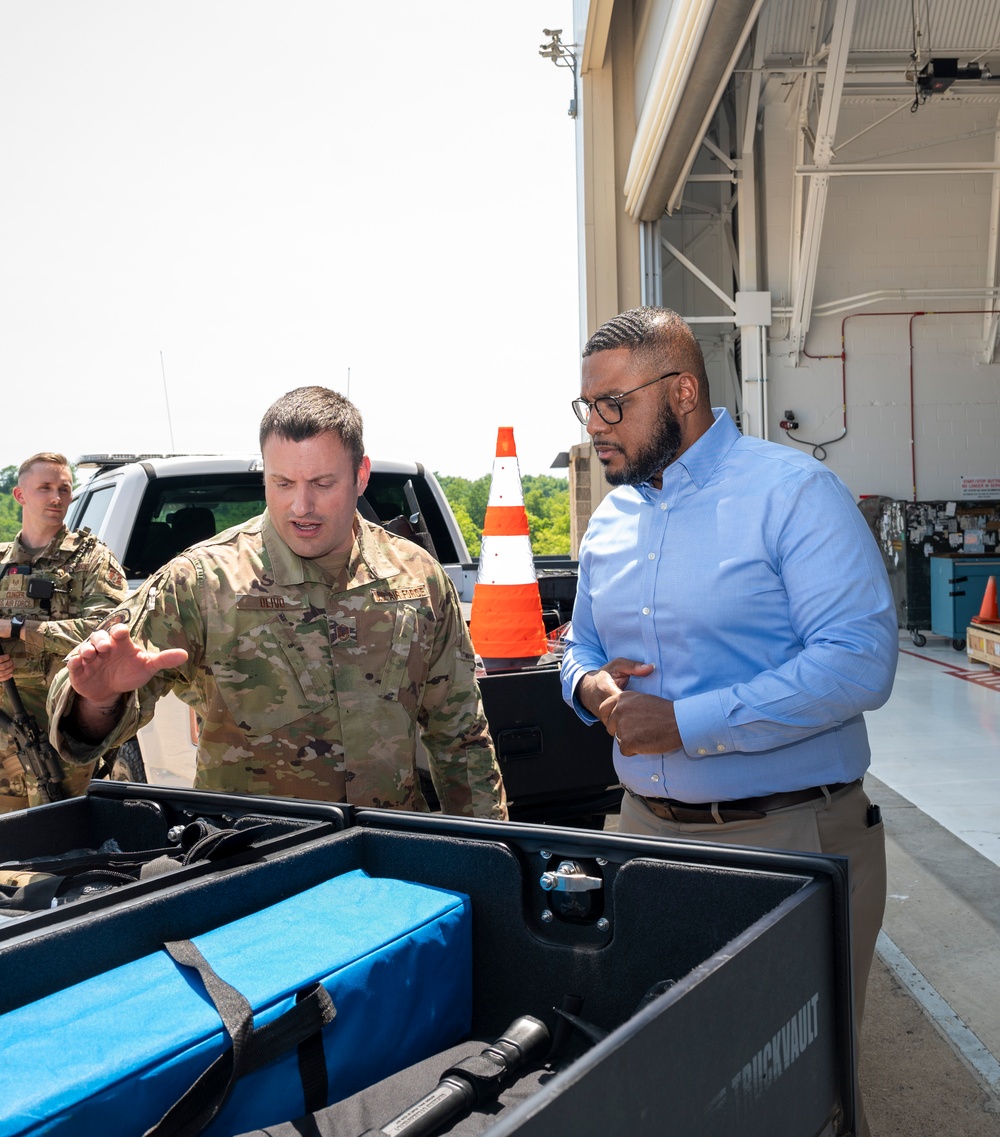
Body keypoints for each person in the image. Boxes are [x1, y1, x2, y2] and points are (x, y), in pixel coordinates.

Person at [560, 307, 897, 1136]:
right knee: (677, 1086)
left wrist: (687, 723)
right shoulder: (611, 521)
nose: (597, 427)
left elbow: (859, 660)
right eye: (586, 407)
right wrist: (594, 691)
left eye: (614, 404)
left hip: (785, 838)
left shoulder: (791, 493)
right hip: (646, 837)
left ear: (681, 391)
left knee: (796, 1088)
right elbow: (580, 646)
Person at [47, 387, 507, 819]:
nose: (301, 505)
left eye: (323, 483)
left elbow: (460, 736)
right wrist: (99, 699)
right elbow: (80, 717)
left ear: (360, 475)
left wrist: (494, 859)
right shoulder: (203, 581)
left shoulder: (418, 576)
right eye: (282, 482)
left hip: (388, 855)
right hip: (257, 861)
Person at [0, 452, 129, 811]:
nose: (57, 498)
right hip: (6, 732)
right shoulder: (1, 564)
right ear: (21, 495)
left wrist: (18, 628)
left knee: (63, 845)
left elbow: (106, 630)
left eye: (64, 489)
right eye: (45, 488)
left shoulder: (91, 560)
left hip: (63, 735)